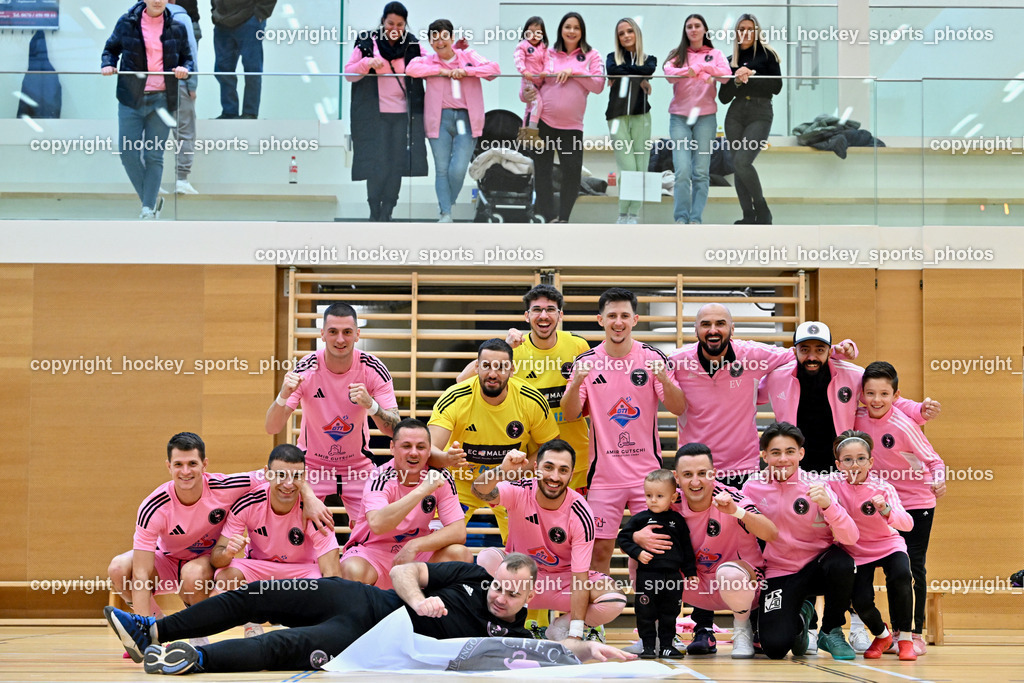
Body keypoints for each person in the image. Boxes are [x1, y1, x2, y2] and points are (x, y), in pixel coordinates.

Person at [104, 554, 632, 673]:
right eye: (499, 586)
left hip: (368, 638)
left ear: (527, 599)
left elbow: (552, 649)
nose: (500, 597)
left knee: (281, 649)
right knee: (255, 597)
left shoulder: (510, 633)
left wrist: (592, 648)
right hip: (360, 598)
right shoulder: (470, 576)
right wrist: (416, 597)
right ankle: (152, 627)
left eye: (513, 594)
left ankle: (189, 659)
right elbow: (405, 569)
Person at [560, 288, 687, 574]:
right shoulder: (586, 363)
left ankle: (648, 618)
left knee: (653, 549)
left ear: (635, 319)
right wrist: (577, 380)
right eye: (612, 316)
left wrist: (664, 379)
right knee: (599, 551)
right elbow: (569, 415)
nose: (618, 322)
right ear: (600, 319)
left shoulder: (652, 358)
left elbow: (678, 408)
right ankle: (599, 619)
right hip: (605, 477)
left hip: (648, 476)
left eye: (625, 316)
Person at [670, 305, 857, 488]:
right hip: (695, 465)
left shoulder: (752, 355)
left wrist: (838, 351)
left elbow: (799, 355)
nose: (713, 330)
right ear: (695, 330)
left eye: (720, 323)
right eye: (705, 324)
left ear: (732, 329)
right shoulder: (677, 361)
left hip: (742, 467)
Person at [630, 443, 777, 658]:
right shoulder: (668, 501)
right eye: (687, 474)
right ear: (676, 477)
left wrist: (736, 512)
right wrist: (636, 537)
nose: (695, 481)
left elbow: (771, 533)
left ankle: (742, 630)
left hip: (739, 584)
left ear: (714, 474)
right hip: (695, 584)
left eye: (702, 473)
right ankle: (657, 636)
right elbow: (634, 533)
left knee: (729, 572)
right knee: (642, 555)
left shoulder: (729, 497)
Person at [473, 440, 627, 642]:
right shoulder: (520, 490)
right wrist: (502, 470)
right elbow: (479, 491)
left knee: (614, 599)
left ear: (571, 475)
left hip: (561, 585)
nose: (554, 477)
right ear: (536, 469)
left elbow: (580, 578)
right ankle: (497, 624)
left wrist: (575, 634)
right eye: (548, 467)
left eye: (563, 470)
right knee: (487, 558)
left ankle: (559, 629)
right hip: (521, 581)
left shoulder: (581, 513)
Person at [265, 302, 399, 526]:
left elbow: (394, 430)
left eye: (347, 332)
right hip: (311, 467)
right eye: (333, 332)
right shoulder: (305, 368)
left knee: (375, 530)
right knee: (296, 528)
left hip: (358, 467)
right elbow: (272, 427)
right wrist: (282, 395)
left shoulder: (372, 368)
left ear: (357, 334)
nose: (340, 339)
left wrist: (371, 405)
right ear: (322, 334)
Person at [455, 285, 591, 492]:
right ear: (527, 316)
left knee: (575, 522)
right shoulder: (515, 349)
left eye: (550, 309)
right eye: (537, 310)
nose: (543, 315)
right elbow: (461, 381)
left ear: (560, 315)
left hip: (575, 457)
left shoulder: (578, 346)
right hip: (531, 462)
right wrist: (505, 348)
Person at [758, 320, 939, 475]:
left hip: (840, 464)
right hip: (794, 463)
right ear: (795, 350)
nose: (812, 356)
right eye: (805, 349)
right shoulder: (776, 377)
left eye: (819, 350)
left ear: (830, 351)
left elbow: (885, 399)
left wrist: (918, 410)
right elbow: (750, 399)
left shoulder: (853, 374)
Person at [741, 422, 859, 660]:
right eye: (775, 452)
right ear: (764, 456)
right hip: (780, 572)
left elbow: (851, 537)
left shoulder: (819, 485)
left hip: (818, 567)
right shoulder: (752, 488)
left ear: (801, 453)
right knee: (774, 648)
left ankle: (831, 630)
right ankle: (802, 616)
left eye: (790, 451)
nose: (783, 459)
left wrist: (829, 505)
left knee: (843, 563)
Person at [854, 361, 946, 656]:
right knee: (872, 568)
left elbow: (934, 461)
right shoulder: (855, 420)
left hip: (915, 504)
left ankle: (913, 634)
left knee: (912, 567)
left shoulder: (904, 424)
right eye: (870, 393)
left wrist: (939, 481)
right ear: (862, 395)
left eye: (884, 393)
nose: (877, 400)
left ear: (896, 396)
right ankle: (886, 632)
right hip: (879, 506)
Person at [429, 338, 560, 540]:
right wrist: (446, 458)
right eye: (487, 366)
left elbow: (550, 450)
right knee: (437, 544)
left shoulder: (530, 400)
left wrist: (517, 471)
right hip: (459, 483)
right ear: (477, 367)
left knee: (527, 549)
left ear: (512, 369)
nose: (493, 373)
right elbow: (430, 450)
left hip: (509, 483)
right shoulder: (455, 398)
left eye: (501, 367)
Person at [210, 445, 340, 638]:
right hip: (260, 570)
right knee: (225, 576)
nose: (288, 484)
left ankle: (298, 625)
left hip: (300, 574)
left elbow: (332, 574)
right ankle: (251, 624)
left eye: (296, 476)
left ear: (304, 478)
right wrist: (228, 553)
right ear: (267, 474)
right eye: (280, 475)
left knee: (327, 583)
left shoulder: (314, 511)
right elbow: (216, 559)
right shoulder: (249, 503)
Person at [340, 419, 472, 588]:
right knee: (351, 569)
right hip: (374, 553)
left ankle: (435, 611)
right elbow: (378, 524)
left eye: (421, 447)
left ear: (430, 450)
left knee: (460, 555)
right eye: (406, 446)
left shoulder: (441, 476)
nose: (414, 453)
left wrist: (414, 545)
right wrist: (422, 490)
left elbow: (458, 532)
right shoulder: (379, 478)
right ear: (392, 448)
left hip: (417, 553)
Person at [828, 431, 917, 661]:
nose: (854, 464)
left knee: (901, 576)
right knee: (860, 601)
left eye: (860, 458)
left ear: (871, 461)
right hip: (856, 551)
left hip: (888, 545)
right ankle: (882, 634)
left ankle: (905, 638)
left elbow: (907, 524)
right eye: (847, 459)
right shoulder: (831, 485)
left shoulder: (883, 487)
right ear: (838, 464)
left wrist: (886, 509)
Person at [100, 0, 194, 219]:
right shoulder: (127, 22)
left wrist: (184, 69)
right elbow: (110, 49)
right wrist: (108, 63)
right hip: (131, 98)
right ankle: (151, 199)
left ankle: (147, 209)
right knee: (127, 153)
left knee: (154, 156)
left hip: (162, 100)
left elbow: (188, 59)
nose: (157, 0)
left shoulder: (177, 27)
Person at [407, 19, 500, 223]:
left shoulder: (468, 56)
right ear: (431, 42)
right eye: (435, 39)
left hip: (465, 119)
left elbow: (494, 70)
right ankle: (446, 213)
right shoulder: (429, 60)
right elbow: (411, 69)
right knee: (441, 169)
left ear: (452, 38)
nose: (440, 42)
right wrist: (441, 71)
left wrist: (467, 71)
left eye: (444, 37)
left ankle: (448, 203)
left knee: (457, 168)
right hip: (438, 119)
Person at [346, 1, 429, 221]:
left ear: (405, 25)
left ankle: (388, 209)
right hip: (374, 115)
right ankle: (374, 208)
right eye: (390, 23)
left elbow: (432, 64)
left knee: (396, 164)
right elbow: (349, 74)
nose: (395, 28)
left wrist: (458, 52)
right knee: (376, 163)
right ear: (383, 21)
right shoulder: (366, 41)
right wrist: (366, 63)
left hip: (403, 116)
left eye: (400, 25)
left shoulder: (413, 45)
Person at [528, 12, 604, 223]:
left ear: (582, 32)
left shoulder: (592, 55)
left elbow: (598, 85)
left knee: (571, 173)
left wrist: (575, 72)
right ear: (561, 30)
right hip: (544, 123)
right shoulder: (547, 53)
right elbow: (532, 82)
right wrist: (524, 93)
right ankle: (547, 218)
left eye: (576, 27)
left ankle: (563, 219)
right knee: (542, 173)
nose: (571, 31)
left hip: (572, 127)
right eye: (567, 27)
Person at [617, 469, 696, 659]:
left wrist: (690, 572)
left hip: (673, 577)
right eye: (648, 495)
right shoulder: (640, 519)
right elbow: (623, 539)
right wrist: (638, 552)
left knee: (670, 613)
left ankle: (667, 646)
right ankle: (649, 646)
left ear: (673, 496)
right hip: (647, 576)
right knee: (645, 612)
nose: (653, 500)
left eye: (659, 496)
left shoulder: (678, 520)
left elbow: (686, 548)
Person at [663, 14, 731, 224]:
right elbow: (668, 73)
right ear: (685, 31)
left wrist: (705, 68)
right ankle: (681, 217)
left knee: (701, 172)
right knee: (682, 170)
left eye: (697, 26)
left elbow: (726, 76)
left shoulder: (715, 53)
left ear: (704, 29)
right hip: (680, 118)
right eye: (689, 26)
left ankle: (695, 218)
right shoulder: (677, 54)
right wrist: (689, 71)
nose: (693, 29)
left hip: (706, 118)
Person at [717, 13, 781, 224]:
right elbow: (723, 97)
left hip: (760, 112)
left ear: (756, 32)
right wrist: (736, 81)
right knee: (737, 165)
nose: (745, 32)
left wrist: (750, 75)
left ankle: (762, 208)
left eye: (749, 29)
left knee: (743, 162)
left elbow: (777, 87)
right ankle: (748, 215)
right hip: (735, 114)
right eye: (741, 29)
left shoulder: (767, 55)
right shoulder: (729, 61)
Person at [605, 18, 656, 224]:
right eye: (621, 33)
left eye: (629, 31)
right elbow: (613, 70)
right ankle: (622, 213)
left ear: (636, 34)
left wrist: (634, 74)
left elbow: (648, 70)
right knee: (626, 166)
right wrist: (639, 76)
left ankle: (633, 214)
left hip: (641, 116)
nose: (626, 36)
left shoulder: (649, 58)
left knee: (641, 166)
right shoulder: (611, 58)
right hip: (616, 118)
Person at [210, 0, 276, 119]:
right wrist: (216, 11)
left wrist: (260, 14)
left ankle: (249, 113)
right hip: (222, 22)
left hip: (249, 20)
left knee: (252, 69)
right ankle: (229, 112)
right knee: (222, 69)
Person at [167, 0, 199, 195]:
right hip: (178, 82)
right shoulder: (180, 16)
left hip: (147, 84)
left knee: (149, 134)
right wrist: (192, 84)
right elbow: (191, 51)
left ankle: (148, 183)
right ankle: (181, 180)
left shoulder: (134, 16)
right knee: (185, 131)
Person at [514, 17, 548, 127]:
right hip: (528, 80)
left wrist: (546, 71)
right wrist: (524, 71)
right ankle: (532, 129)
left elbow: (548, 61)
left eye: (538, 33)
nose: (534, 35)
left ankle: (524, 129)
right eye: (531, 32)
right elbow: (519, 59)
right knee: (537, 103)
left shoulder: (543, 47)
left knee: (529, 107)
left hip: (539, 82)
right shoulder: (523, 45)